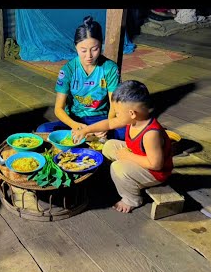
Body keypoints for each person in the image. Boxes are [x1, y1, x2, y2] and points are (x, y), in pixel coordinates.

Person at [72, 80, 173, 213]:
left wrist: (128, 156)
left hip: (154, 173)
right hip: (136, 156)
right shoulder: (135, 119)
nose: (117, 116)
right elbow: (109, 124)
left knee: (118, 167)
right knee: (109, 145)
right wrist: (86, 130)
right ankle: (118, 177)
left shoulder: (151, 134)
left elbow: (156, 165)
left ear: (132, 113)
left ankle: (131, 199)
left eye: (118, 113)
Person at [36, 16, 125, 141]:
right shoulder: (68, 70)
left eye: (95, 49)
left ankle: (89, 137)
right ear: (76, 47)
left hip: (101, 119)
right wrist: (76, 125)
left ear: (101, 44)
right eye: (83, 50)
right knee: (43, 131)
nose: (89, 56)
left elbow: (114, 105)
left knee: (128, 131)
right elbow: (58, 109)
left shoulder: (109, 68)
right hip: (76, 119)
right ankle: (90, 138)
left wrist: (107, 126)